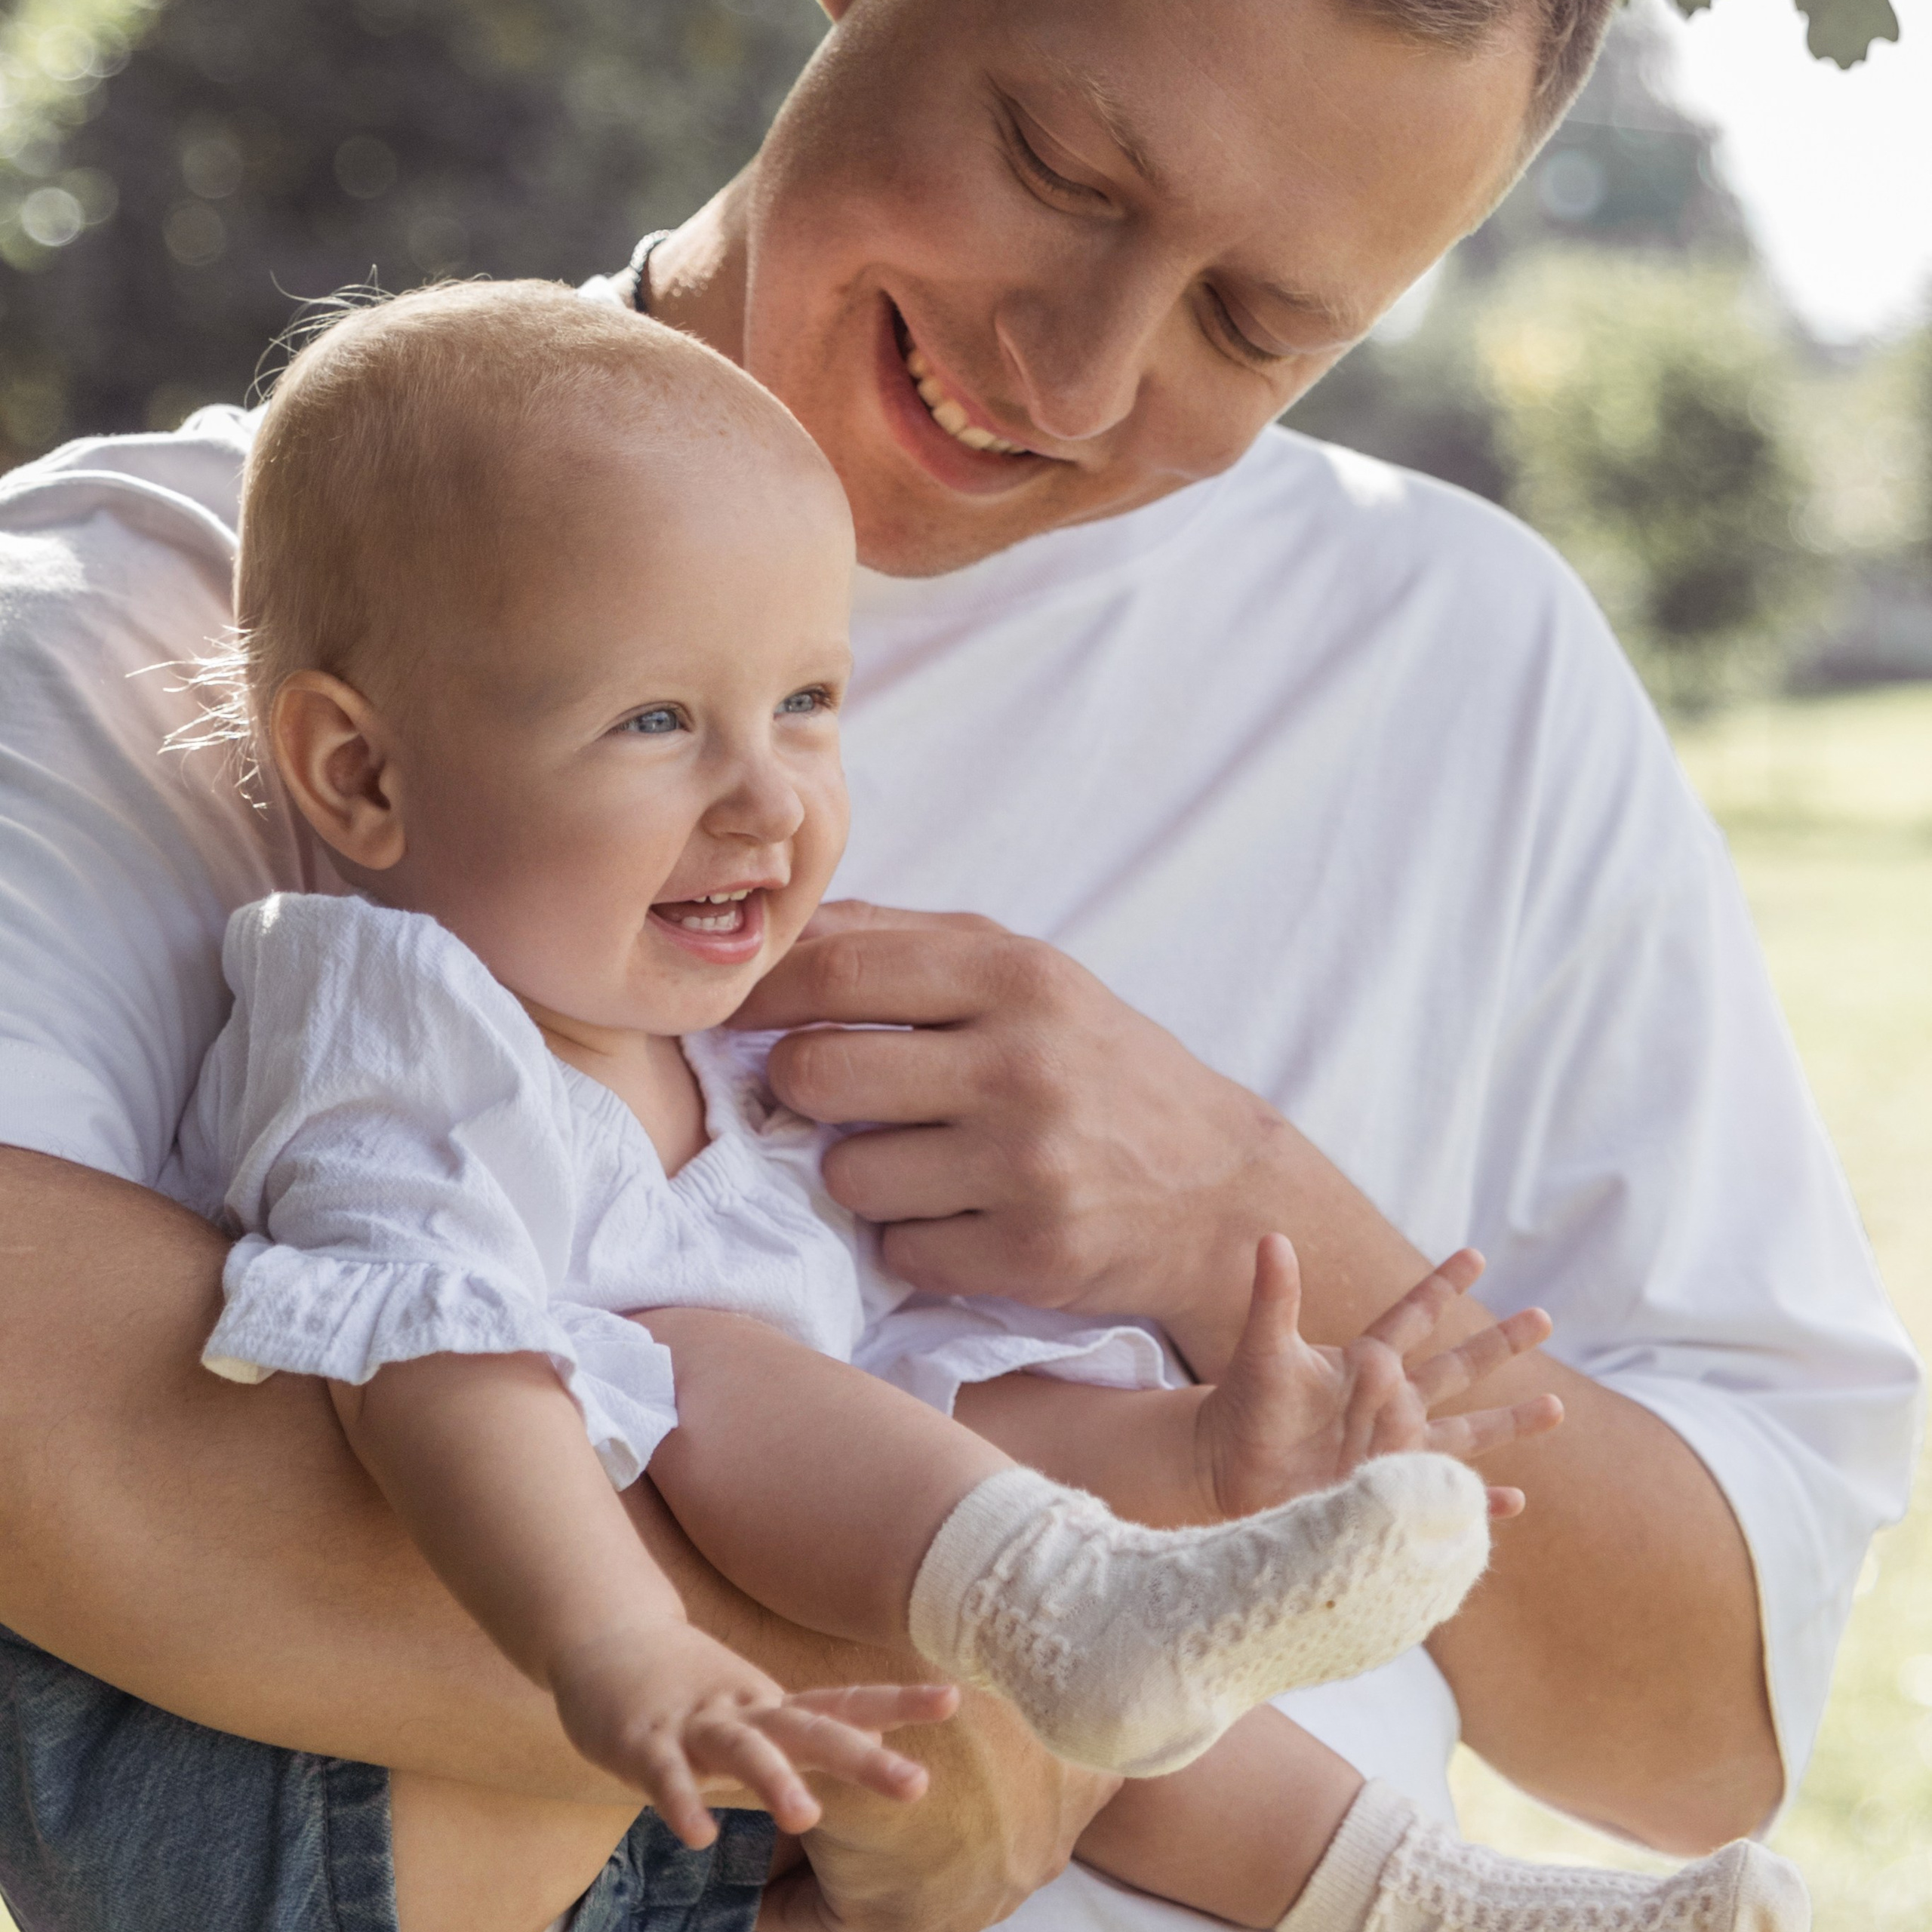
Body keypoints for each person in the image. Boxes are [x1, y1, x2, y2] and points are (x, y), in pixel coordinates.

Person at [0, 0, 1917, 1928]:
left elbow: (1697, 1743)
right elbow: (57, 1429)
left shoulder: (1467, 658)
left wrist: (1240, 1214)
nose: (1077, 376)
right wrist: (971, 1712)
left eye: (1254, 326)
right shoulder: (150, 613)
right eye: (1058, 167)